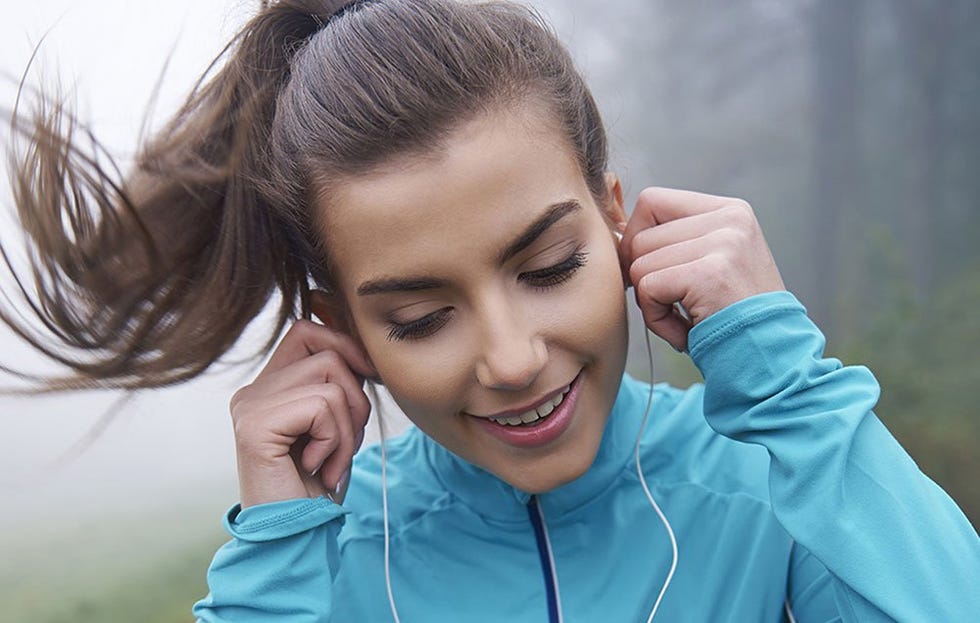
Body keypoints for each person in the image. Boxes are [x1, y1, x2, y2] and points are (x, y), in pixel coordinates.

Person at [2, 0, 977, 621]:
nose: (510, 358)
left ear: (610, 218)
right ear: (342, 331)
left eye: (548, 265)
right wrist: (275, 556)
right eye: (420, 318)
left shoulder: (768, 476)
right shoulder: (321, 559)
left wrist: (788, 381)